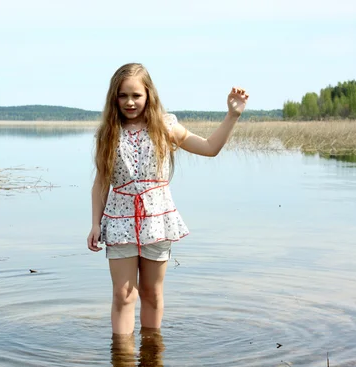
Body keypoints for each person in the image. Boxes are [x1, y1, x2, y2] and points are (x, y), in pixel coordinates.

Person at [87, 63, 249, 335]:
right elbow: (101, 182)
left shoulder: (165, 126)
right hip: (119, 220)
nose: (130, 102)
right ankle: (123, 366)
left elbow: (210, 148)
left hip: (158, 220)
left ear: (148, 94)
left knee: (151, 293)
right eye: (123, 95)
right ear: (114, 97)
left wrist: (232, 115)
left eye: (136, 95)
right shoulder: (109, 132)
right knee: (123, 295)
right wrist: (95, 224)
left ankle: (152, 360)